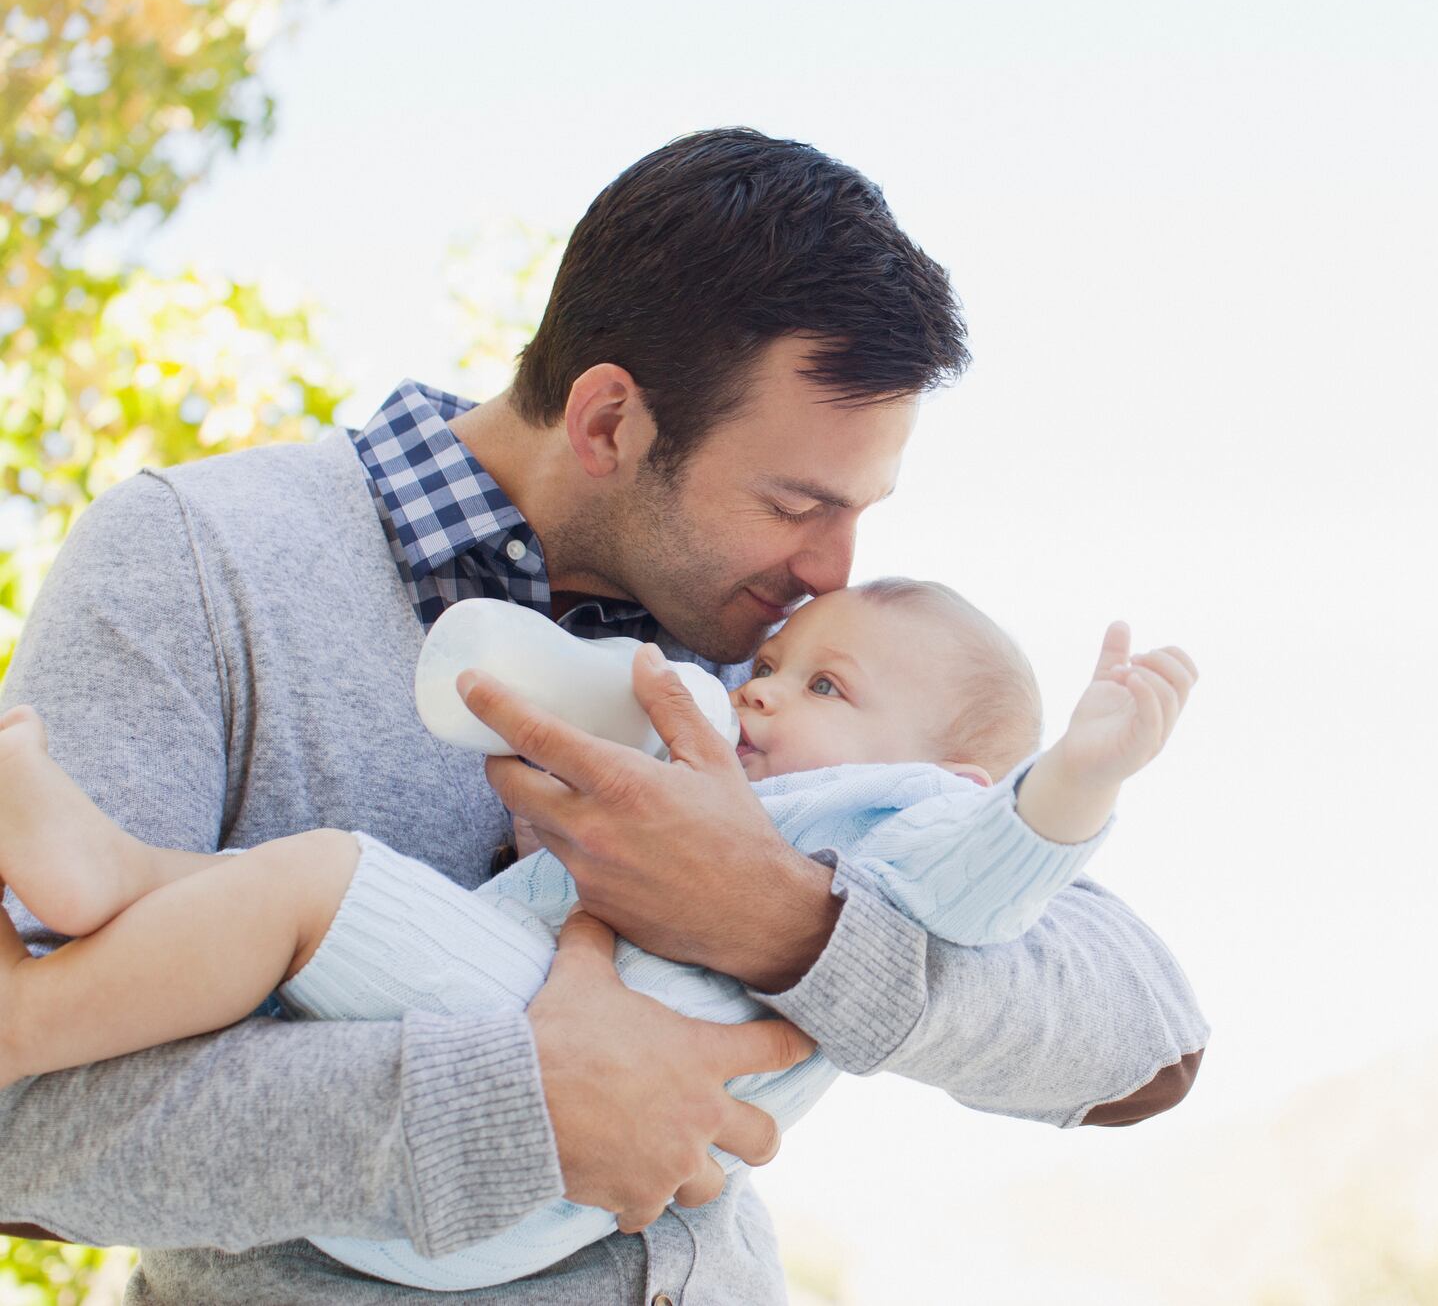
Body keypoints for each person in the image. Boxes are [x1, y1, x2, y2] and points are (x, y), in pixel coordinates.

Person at [0, 129, 1208, 1304]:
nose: (835, 566)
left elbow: (1140, 1043)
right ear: (608, 422)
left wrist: (785, 922)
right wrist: (509, 1106)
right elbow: (19, 1132)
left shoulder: (779, 669)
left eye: (857, 509)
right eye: (796, 502)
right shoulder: (198, 562)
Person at [0, 579, 1198, 1291]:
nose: (761, 687)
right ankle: (111, 881)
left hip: (522, 1208)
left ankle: (33, 1001)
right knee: (276, 904)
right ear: (612, 413)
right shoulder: (195, 563)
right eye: (776, 666)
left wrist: (1072, 784)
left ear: (956, 780)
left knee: (323, 880)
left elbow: (1094, 981)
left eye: (825, 687)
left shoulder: (894, 822)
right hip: (482, 1137)